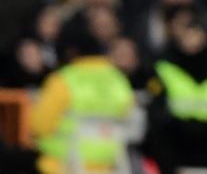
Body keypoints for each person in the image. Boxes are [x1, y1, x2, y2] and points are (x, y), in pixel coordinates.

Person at [28, 13, 135, 174]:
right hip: (108, 168)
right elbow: (131, 123)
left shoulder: (63, 80)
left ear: (70, 51)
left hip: (61, 167)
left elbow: (39, 126)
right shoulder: (119, 80)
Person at [143, 10, 207, 173]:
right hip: (178, 135)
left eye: (195, 34)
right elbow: (156, 107)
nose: (191, 41)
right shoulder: (164, 67)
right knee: (157, 133)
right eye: (186, 36)